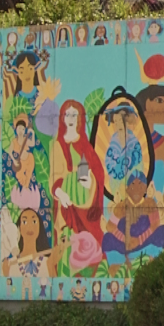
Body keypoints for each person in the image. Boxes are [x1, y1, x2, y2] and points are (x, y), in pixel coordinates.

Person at [50, 99, 106, 245]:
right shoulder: (57, 145)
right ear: (62, 118)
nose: (70, 119)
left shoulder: (85, 146)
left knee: (92, 242)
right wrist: (61, 194)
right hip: (66, 203)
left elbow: (98, 172)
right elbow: (55, 176)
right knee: (67, 243)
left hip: (85, 203)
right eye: (67, 115)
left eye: (74, 115)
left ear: (79, 118)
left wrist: (90, 183)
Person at [104, 172, 164, 266]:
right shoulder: (121, 206)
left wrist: (139, 240)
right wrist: (125, 239)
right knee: (107, 238)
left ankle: (152, 259)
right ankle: (116, 265)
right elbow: (110, 226)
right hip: (124, 245)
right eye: (133, 186)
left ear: (145, 189)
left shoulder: (150, 203)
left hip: (144, 242)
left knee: (161, 230)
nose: (136, 191)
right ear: (127, 189)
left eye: (140, 186)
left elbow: (155, 224)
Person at [135, 84, 164, 206]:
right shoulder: (130, 142)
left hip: (153, 216)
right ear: (147, 104)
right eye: (160, 101)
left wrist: (160, 211)